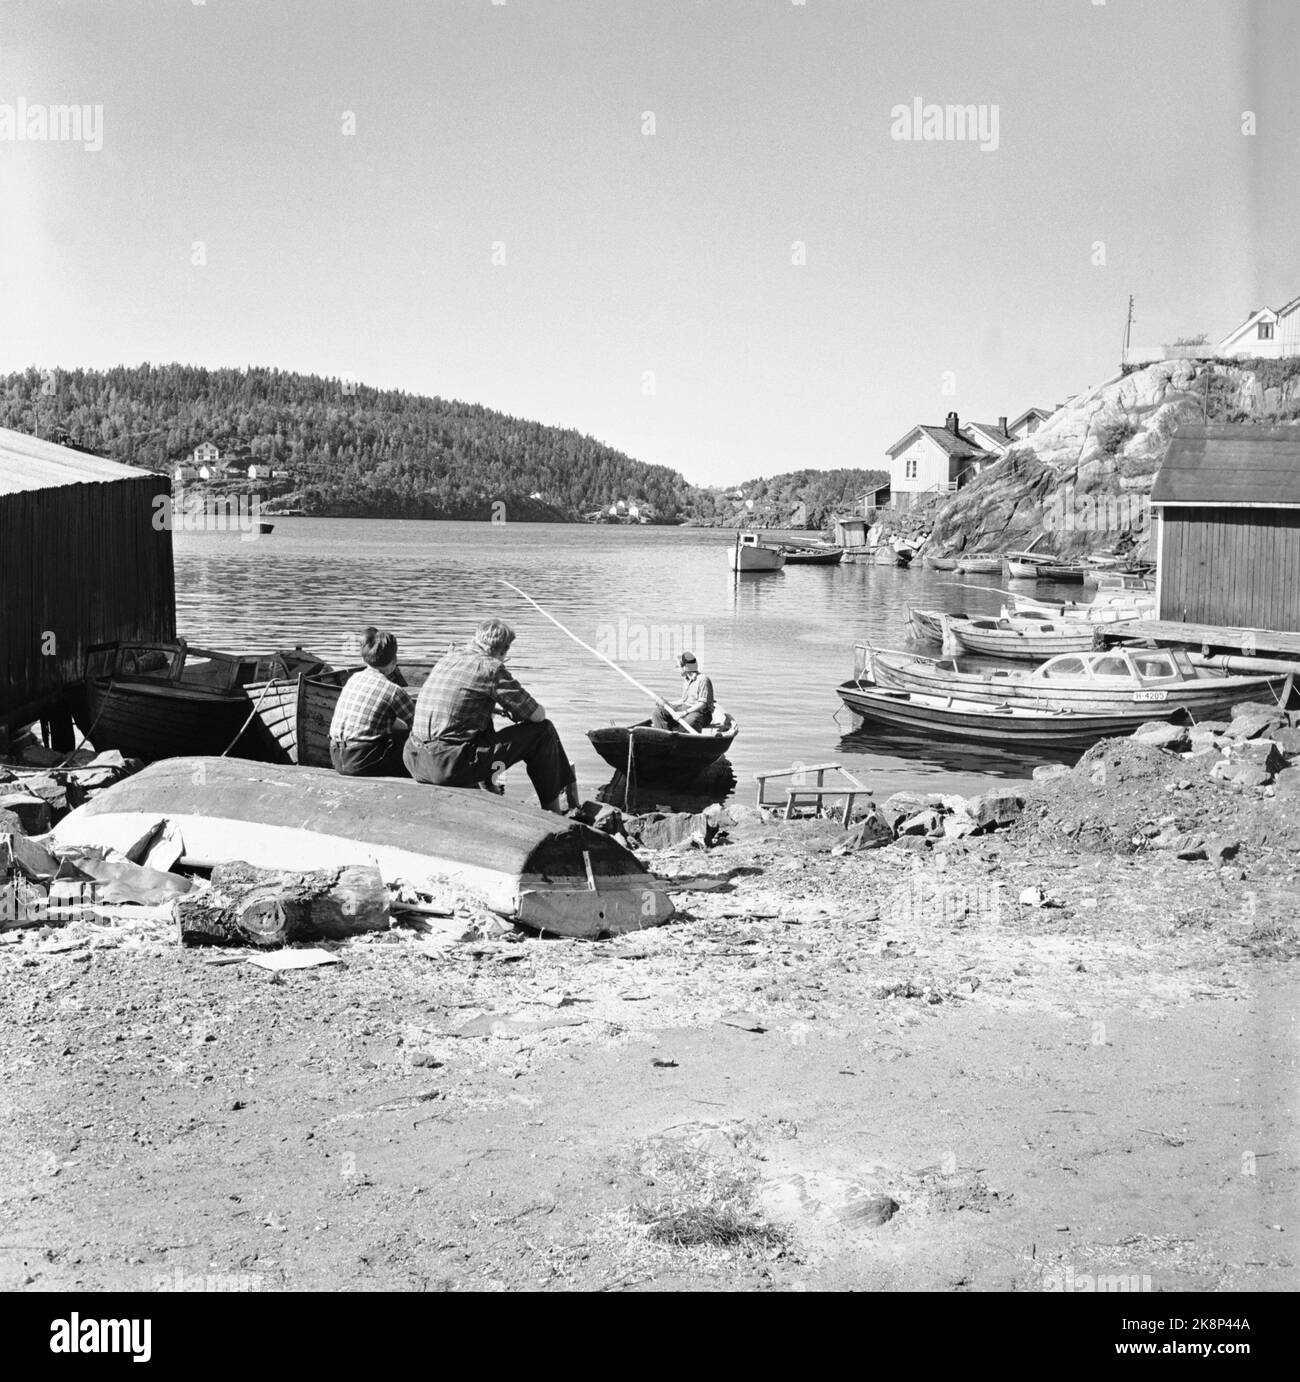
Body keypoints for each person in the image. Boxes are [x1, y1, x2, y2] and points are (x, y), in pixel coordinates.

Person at [404, 617, 579, 814]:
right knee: (543, 731)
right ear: (503, 650)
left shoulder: (449, 658)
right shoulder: (491, 668)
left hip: (414, 758)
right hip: (445, 767)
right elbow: (537, 715)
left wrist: (489, 708)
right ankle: (554, 813)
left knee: (483, 718)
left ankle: (489, 789)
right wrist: (520, 712)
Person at [328, 628, 414, 777]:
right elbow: (419, 727)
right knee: (410, 739)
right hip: (363, 760)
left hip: (336, 756)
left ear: (364, 658)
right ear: (394, 661)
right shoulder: (393, 691)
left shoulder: (353, 679)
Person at [653, 651, 714, 731]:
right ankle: (663, 736)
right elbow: (683, 700)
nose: (677, 669)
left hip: (701, 713)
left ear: (685, 668)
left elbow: (702, 704)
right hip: (685, 708)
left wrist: (684, 713)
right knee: (658, 712)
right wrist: (666, 703)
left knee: (690, 721)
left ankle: (676, 733)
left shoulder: (703, 680)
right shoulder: (686, 680)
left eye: (678, 667)